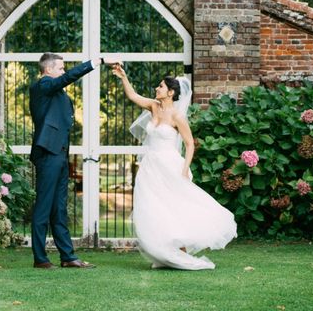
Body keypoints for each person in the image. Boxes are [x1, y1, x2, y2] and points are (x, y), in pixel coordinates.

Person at [112, 64, 237, 270]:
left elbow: (189, 144)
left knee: (174, 207)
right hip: (151, 166)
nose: (156, 89)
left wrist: (184, 169)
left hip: (170, 165)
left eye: (160, 87)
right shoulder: (153, 106)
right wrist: (123, 76)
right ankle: (163, 252)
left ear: (170, 92)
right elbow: (133, 96)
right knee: (153, 208)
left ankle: (180, 252)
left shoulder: (178, 116)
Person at [30, 52, 120, 269]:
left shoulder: (58, 93)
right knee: (43, 208)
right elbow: (67, 78)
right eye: (60, 68)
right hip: (48, 153)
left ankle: (68, 257)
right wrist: (97, 61)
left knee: (59, 208)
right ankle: (40, 259)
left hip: (60, 155)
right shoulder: (42, 85)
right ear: (48, 70)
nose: (63, 71)